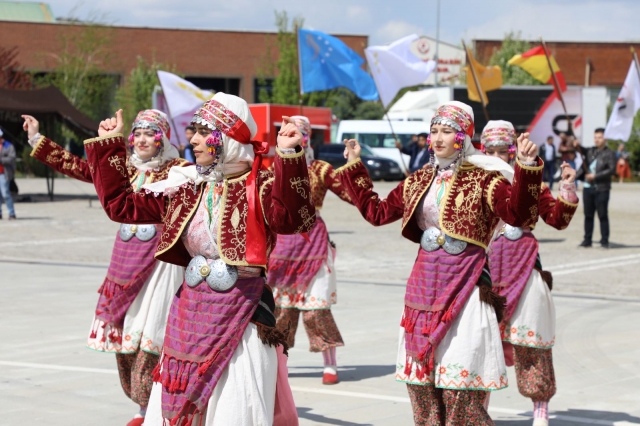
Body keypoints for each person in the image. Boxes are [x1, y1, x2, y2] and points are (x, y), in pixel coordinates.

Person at [86, 93, 314, 425]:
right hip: (189, 316)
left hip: (242, 318)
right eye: (192, 130)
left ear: (230, 137)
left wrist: (290, 154)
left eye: (202, 130)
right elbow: (122, 205)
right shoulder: (187, 186)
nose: (191, 139)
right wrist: (108, 144)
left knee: (234, 409)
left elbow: (295, 220)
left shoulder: (261, 185)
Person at [338, 101, 543, 425]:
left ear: (463, 136)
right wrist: (354, 167)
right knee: (422, 387)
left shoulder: (485, 179)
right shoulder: (419, 179)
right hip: (424, 286)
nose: (437, 137)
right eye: (433, 130)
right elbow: (376, 213)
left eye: (446, 131)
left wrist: (527, 166)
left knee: (459, 385)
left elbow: (518, 214)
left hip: (466, 285)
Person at [23, 110, 189, 426]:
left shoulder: (178, 170)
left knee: (152, 336)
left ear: (162, 140)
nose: (141, 140)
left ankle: (154, 410)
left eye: (149, 134)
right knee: (125, 338)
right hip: (125, 266)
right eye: (137, 134)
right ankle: (142, 409)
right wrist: (36, 139)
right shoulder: (123, 169)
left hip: (161, 268)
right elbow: (83, 168)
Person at [481, 120, 579, 426]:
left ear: (513, 152)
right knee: (481, 342)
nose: (497, 157)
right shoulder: (473, 185)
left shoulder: (532, 182)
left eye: (503, 151)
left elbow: (558, 220)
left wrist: (567, 187)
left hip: (525, 270)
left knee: (532, 342)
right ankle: (478, 408)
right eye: (491, 151)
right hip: (485, 274)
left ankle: (540, 410)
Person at [268, 115, 352, 386]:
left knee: (317, 308)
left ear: (307, 138)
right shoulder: (274, 167)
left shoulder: (320, 169)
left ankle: (330, 364)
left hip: (312, 242)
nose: (295, 136)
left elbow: (350, 193)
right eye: (288, 131)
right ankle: (279, 366)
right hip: (282, 244)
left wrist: (353, 165)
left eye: (300, 133)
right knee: (281, 310)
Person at [575, 128, 616, 248]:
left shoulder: (610, 153)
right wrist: (577, 144)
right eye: (595, 137)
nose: (597, 140)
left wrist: (595, 176)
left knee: (602, 215)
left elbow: (612, 169)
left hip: (602, 188)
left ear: (605, 139)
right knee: (588, 215)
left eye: (599, 137)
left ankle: (604, 240)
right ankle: (587, 240)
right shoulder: (591, 151)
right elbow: (580, 149)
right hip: (588, 188)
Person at [0, 129, 17, 220]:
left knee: (5, 193)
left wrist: (2, 160)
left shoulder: (8, 146)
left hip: (4, 173)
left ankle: (11, 213)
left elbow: (12, 158)